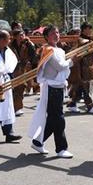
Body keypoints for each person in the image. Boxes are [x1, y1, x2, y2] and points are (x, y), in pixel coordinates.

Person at [28, 25, 74, 158]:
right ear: (47, 37)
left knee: (54, 119)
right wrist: (72, 61)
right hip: (51, 87)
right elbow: (59, 67)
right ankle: (61, 148)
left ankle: (38, 141)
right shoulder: (47, 49)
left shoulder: (58, 49)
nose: (56, 35)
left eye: (58, 32)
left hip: (58, 87)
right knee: (58, 119)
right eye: (53, 33)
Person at [67, 22, 93, 114]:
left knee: (80, 87)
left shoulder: (91, 39)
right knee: (85, 86)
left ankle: (72, 104)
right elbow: (83, 46)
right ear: (83, 30)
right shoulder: (80, 39)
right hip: (81, 67)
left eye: (90, 29)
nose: (89, 31)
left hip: (89, 65)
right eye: (87, 29)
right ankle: (89, 105)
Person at [10, 29, 37, 117]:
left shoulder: (28, 44)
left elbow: (33, 55)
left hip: (23, 68)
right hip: (11, 68)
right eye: (20, 35)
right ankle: (13, 107)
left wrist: (30, 43)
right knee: (12, 89)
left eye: (23, 34)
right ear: (15, 37)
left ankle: (18, 108)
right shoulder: (10, 45)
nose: (22, 37)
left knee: (21, 87)